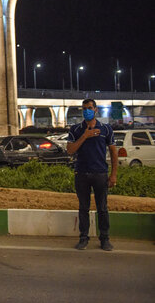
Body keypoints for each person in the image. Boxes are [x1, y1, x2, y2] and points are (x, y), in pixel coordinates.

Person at [67, 99, 118, 251]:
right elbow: (70, 150)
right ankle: (83, 238)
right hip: (81, 173)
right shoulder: (76, 129)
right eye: (84, 108)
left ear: (96, 110)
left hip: (100, 174)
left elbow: (113, 152)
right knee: (84, 208)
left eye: (89, 108)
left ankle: (105, 238)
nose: (86, 111)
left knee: (102, 208)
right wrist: (85, 135)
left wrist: (113, 175)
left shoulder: (106, 129)